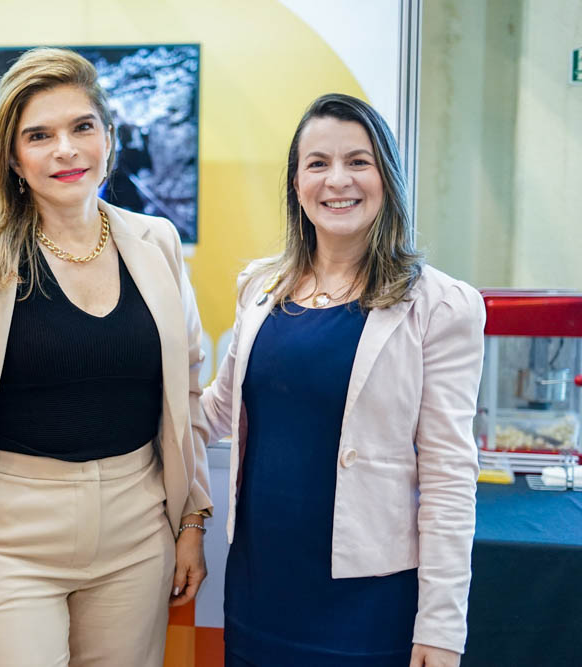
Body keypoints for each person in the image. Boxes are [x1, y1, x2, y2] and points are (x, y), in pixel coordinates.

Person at [0, 48, 212, 667]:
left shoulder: (158, 243)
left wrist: (191, 522)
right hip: (5, 537)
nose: (66, 150)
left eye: (82, 127)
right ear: (13, 158)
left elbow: (186, 394)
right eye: (39, 136)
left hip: (137, 531)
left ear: (109, 137)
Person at [201, 93, 485, 667]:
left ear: (387, 177)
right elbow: (213, 413)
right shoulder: (259, 287)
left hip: (368, 600)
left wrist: (440, 627)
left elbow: (449, 476)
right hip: (260, 585)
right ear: (296, 183)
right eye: (318, 163)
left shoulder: (441, 305)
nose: (337, 180)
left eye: (358, 161)